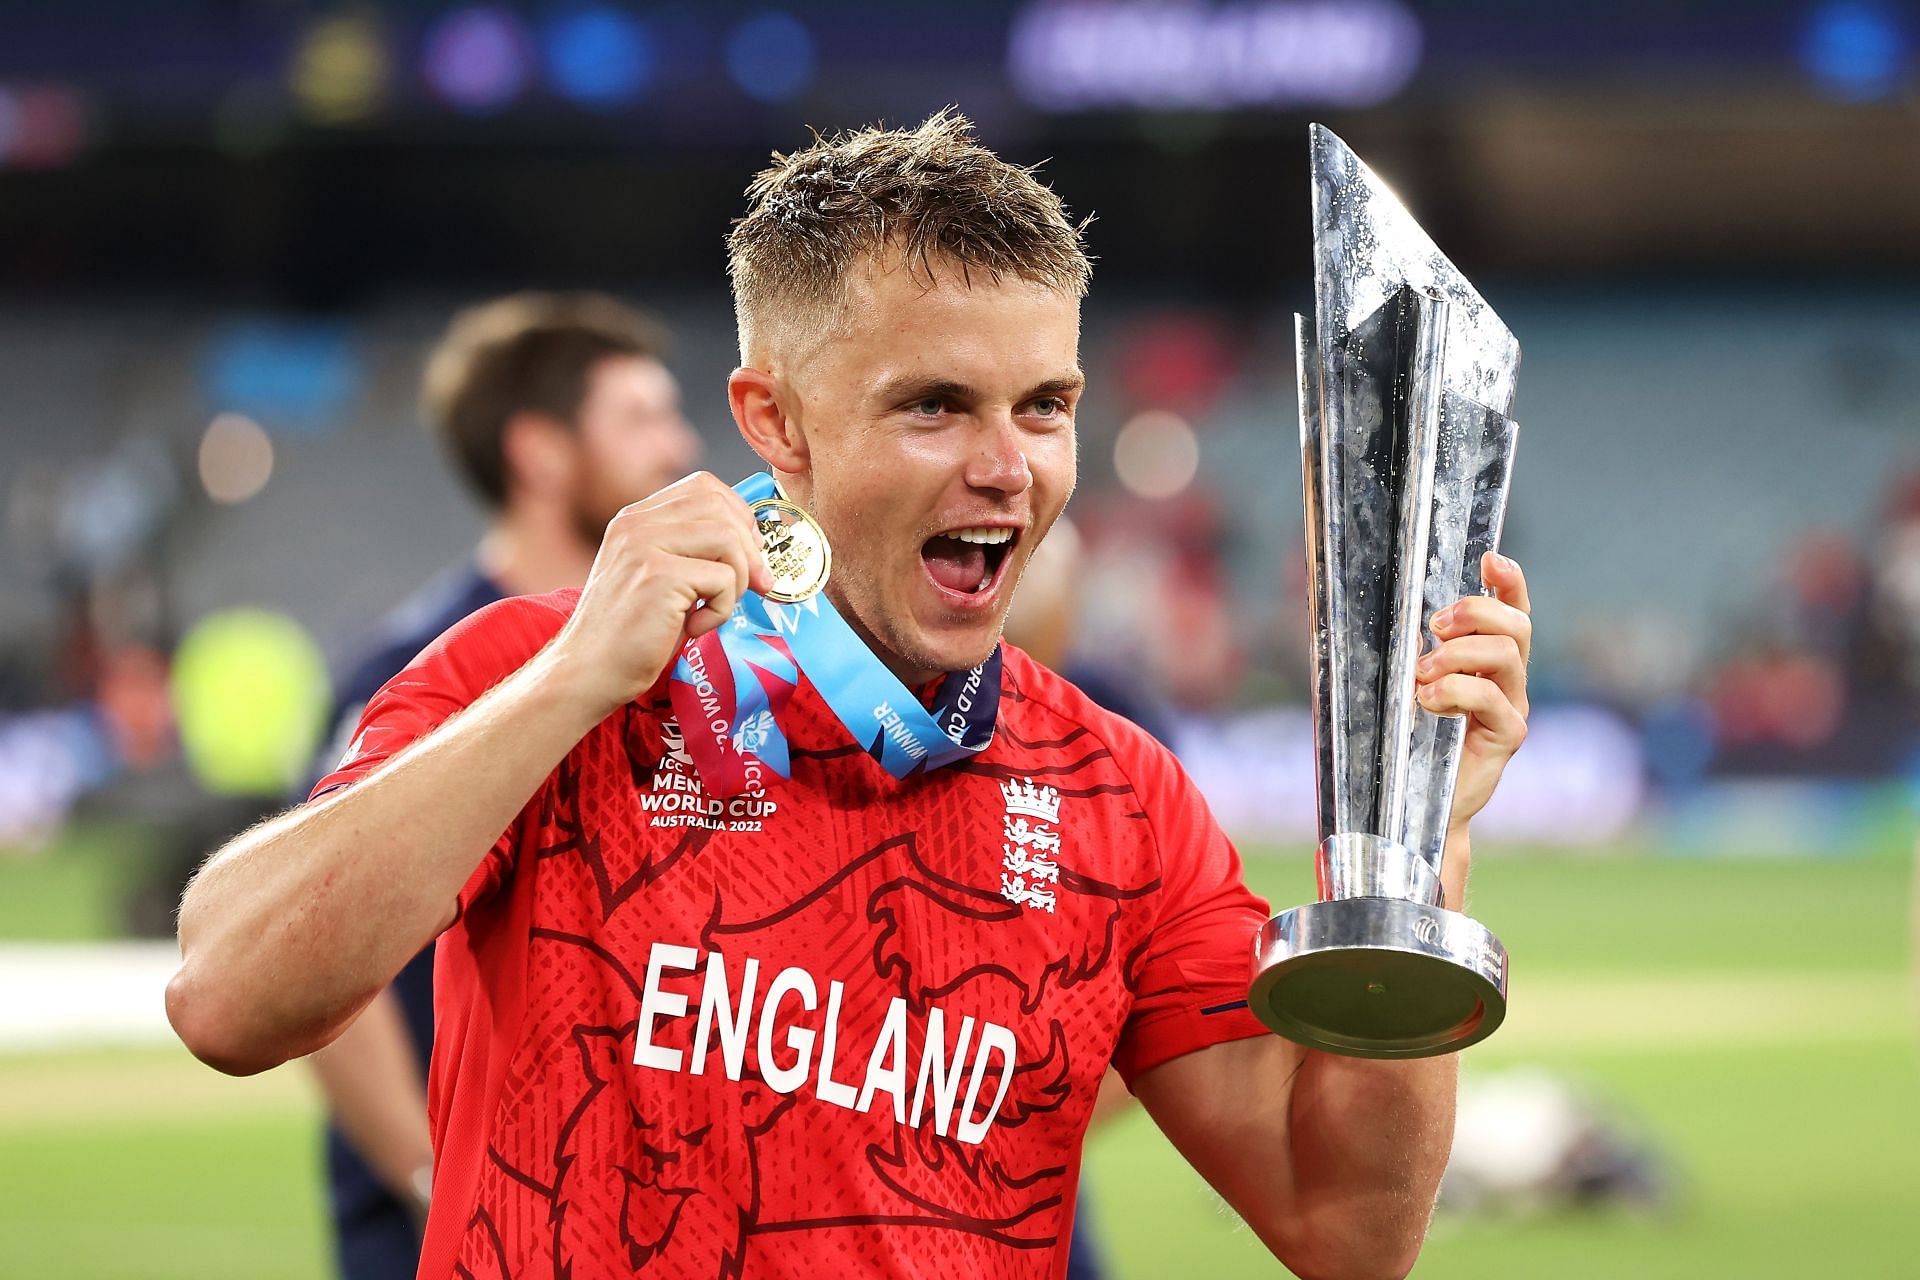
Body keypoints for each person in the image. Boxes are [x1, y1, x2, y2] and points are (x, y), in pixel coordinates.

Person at [168, 112, 1534, 1280]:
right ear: (775, 423)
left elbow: (1348, 1225)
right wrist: (574, 682)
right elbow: (228, 999)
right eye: (936, 405)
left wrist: (1419, 838)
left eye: (1046, 405)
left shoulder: (1119, 799)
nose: (1011, 467)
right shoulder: (554, 676)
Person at [302, 292, 699, 1279]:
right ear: (541, 451)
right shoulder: (408, 668)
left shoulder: (687, 660)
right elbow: (311, 951)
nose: (679, 445)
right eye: (642, 417)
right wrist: (434, 1175)